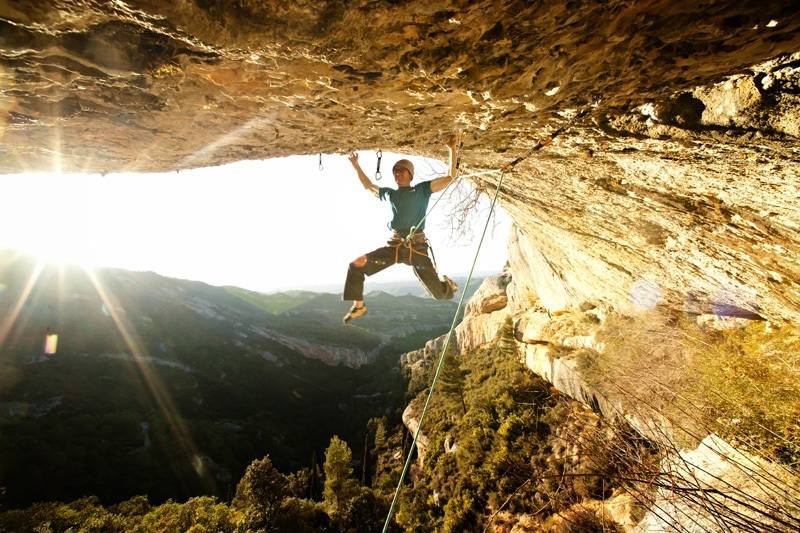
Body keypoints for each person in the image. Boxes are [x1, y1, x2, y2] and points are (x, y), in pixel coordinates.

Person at [342, 135, 460, 324]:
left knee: (439, 295)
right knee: (355, 266)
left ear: (410, 175)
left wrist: (452, 149)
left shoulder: (422, 190)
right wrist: (356, 166)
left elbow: (450, 177)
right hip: (395, 246)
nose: (397, 173)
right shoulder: (389, 193)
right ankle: (359, 307)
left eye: (402, 170)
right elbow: (368, 186)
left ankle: (448, 287)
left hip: (417, 248)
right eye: (395, 171)